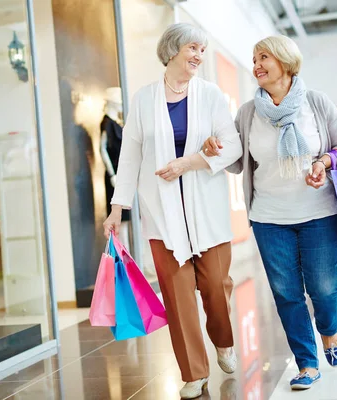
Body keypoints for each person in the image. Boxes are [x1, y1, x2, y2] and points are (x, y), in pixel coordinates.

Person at [203, 35, 337, 390]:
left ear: (286, 63)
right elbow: (238, 163)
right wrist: (214, 146)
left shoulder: (315, 103)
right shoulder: (248, 113)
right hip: (269, 218)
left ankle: (330, 331)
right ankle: (306, 363)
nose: (256, 64)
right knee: (286, 293)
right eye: (254, 58)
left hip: (319, 213)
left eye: (264, 57)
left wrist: (324, 160)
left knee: (323, 286)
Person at [103, 23, 243, 399]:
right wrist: (118, 207)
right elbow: (129, 155)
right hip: (162, 217)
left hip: (207, 213)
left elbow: (232, 147)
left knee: (215, 287)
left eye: (202, 49)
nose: (198, 55)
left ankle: (223, 343)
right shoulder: (144, 99)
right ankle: (194, 373)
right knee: (178, 298)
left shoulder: (211, 95)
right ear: (172, 50)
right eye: (193, 48)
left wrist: (192, 161)